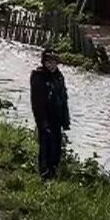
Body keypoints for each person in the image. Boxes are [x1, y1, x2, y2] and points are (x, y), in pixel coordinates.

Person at [29, 48, 70, 179]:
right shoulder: (38, 76)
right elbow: (37, 103)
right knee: (46, 148)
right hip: (45, 118)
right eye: (49, 62)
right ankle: (44, 175)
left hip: (57, 118)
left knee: (57, 149)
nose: (52, 65)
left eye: (54, 63)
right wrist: (42, 123)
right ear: (44, 62)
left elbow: (64, 98)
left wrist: (66, 119)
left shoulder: (59, 77)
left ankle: (54, 173)